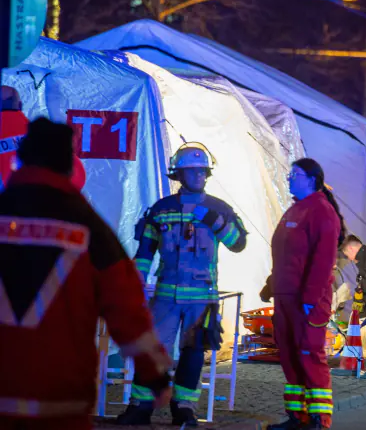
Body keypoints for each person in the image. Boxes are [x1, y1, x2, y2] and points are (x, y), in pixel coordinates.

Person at [0, 118, 172, 430]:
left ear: (19, 160)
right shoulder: (89, 229)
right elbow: (127, 310)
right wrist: (155, 374)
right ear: (69, 166)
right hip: (58, 402)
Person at [118, 143, 248, 426]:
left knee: (192, 354)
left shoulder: (218, 208)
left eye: (203, 171)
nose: (199, 175)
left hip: (202, 299)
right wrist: (136, 281)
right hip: (165, 296)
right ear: (179, 174)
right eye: (193, 171)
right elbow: (145, 251)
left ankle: (184, 408)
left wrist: (215, 222)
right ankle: (140, 406)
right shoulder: (162, 209)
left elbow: (238, 244)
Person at [262, 158, 344, 430]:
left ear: (311, 179)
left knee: (309, 355)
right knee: (290, 357)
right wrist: (272, 284)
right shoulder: (296, 210)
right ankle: (298, 417)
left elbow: (322, 262)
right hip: (286, 297)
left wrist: (309, 301)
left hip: (306, 301)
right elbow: (287, 256)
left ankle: (320, 420)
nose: (289, 178)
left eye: (294, 174)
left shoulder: (321, 211)